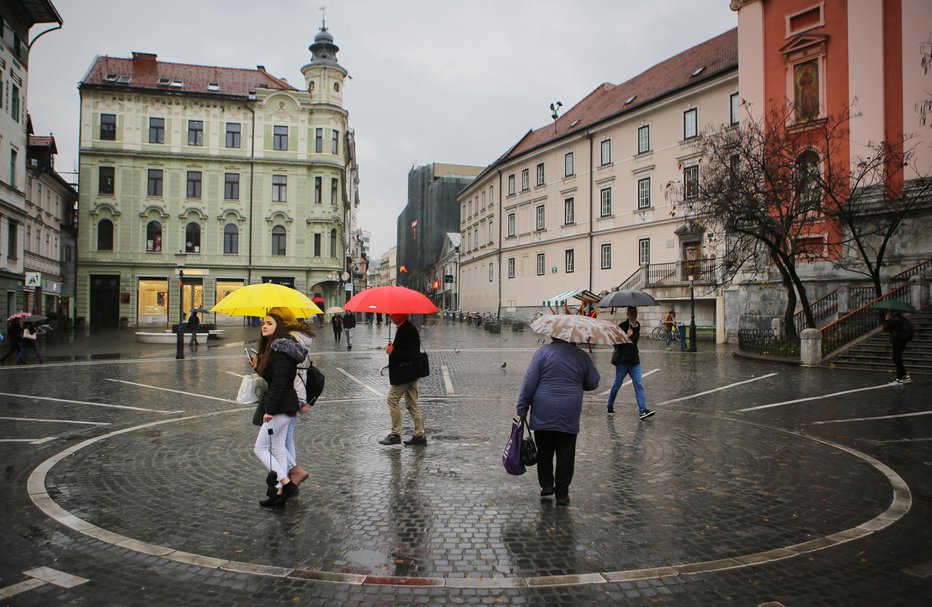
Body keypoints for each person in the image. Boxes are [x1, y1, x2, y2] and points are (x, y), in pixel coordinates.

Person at [516, 337, 600, 506]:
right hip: (569, 411)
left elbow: (529, 383)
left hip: (543, 410)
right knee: (566, 453)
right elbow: (593, 382)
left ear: (553, 336)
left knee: (544, 450)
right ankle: (562, 493)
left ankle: (547, 485)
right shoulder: (581, 355)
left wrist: (522, 408)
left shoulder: (542, 353)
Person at [249, 313, 308, 508]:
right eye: (262, 323)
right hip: (286, 406)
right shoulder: (276, 348)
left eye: (269, 323)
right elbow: (274, 378)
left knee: (260, 448)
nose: (264, 326)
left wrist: (270, 411)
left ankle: (286, 483)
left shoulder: (279, 349)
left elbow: (281, 384)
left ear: (279, 326)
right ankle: (279, 494)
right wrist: (258, 367)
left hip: (281, 408)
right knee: (279, 449)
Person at [268, 307, 315, 489]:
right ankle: (289, 475)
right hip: (296, 392)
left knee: (277, 440)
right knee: (285, 439)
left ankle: (291, 474)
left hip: (291, 392)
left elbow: (287, 373)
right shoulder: (299, 337)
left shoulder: (290, 340)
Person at [378, 313, 427, 446]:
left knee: (392, 399)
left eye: (393, 315)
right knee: (412, 403)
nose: (391, 317)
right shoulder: (406, 328)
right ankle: (419, 434)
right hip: (411, 372)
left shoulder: (406, 330)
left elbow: (410, 354)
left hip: (406, 373)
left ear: (400, 316)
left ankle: (395, 434)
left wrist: (392, 351)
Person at [607, 306, 654, 419]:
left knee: (639, 385)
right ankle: (609, 405)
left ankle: (642, 411)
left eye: (635, 312)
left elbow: (635, 341)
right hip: (623, 361)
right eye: (631, 312)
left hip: (634, 361)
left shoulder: (637, 325)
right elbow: (615, 343)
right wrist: (625, 337)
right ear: (627, 314)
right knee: (617, 385)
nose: (634, 314)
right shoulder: (622, 326)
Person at [882, 311, 913, 384]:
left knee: (896, 358)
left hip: (898, 340)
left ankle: (899, 378)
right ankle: (905, 375)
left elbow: (885, 327)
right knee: (897, 358)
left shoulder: (895, 320)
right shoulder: (901, 319)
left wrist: (886, 319)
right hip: (901, 340)